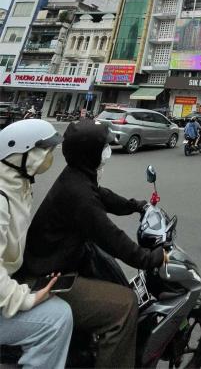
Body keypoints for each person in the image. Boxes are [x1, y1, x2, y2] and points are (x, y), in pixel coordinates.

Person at [23, 120, 166, 368]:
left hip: (57, 261)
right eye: (104, 147)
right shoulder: (79, 195)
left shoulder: (76, 176)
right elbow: (112, 238)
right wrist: (151, 258)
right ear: (90, 153)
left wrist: (136, 205)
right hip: (47, 277)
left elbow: (102, 195)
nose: (108, 151)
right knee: (125, 305)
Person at [0, 120, 73, 368]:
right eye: (43, 150)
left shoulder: (18, 186)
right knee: (58, 318)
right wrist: (26, 299)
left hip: (10, 279)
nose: (48, 156)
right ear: (19, 153)